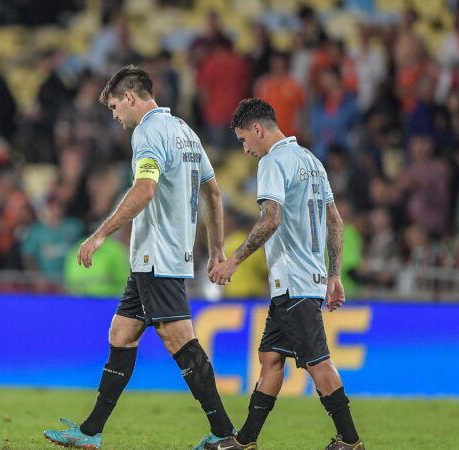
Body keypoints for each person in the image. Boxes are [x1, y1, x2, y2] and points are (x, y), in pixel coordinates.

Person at [43, 65, 236, 450]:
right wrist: (216, 248)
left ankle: (225, 433)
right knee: (122, 332)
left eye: (115, 107)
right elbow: (213, 193)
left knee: (180, 341)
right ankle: (90, 432)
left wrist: (100, 234)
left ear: (130, 98)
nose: (115, 116)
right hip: (162, 255)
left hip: (157, 255)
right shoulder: (185, 132)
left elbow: (145, 189)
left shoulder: (148, 132)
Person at [208, 98, 363, 450]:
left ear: (258, 129)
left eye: (244, 139)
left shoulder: (273, 161)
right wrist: (333, 275)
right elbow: (335, 220)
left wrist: (234, 261)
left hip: (294, 280)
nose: (245, 149)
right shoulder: (311, 161)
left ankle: (351, 441)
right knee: (271, 357)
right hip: (301, 280)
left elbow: (271, 219)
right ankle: (245, 440)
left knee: (318, 363)